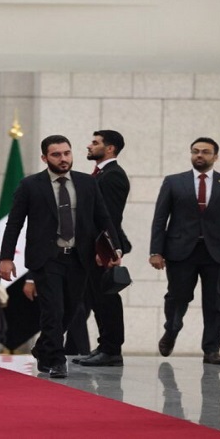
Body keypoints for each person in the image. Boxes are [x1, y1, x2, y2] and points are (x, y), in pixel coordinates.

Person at [0, 134, 121, 379]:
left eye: (66, 153)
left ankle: (43, 347)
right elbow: (14, 223)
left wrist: (114, 248)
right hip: (47, 259)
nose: (63, 159)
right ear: (45, 158)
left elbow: (103, 218)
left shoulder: (87, 183)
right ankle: (56, 359)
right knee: (53, 310)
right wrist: (6, 258)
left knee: (70, 310)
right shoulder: (30, 185)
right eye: (56, 155)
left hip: (79, 257)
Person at [150, 137, 220, 365]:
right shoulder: (174, 181)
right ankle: (172, 329)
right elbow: (160, 218)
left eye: (205, 152)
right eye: (195, 151)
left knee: (215, 302)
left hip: (215, 252)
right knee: (177, 296)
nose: (199, 155)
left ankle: (211, 349)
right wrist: (155, 251)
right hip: (180, 250)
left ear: (215, 156)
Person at [73, 130, 131, 367]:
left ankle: (111, 349)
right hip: (92, 248)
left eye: (95, 143)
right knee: (97, 300)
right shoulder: (101, 174)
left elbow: (110, 217)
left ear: (110, 148)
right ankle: (105, 346)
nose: (89, 146)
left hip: (101, 249)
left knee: (106, 299)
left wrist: (105, 249)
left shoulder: (113, 176)